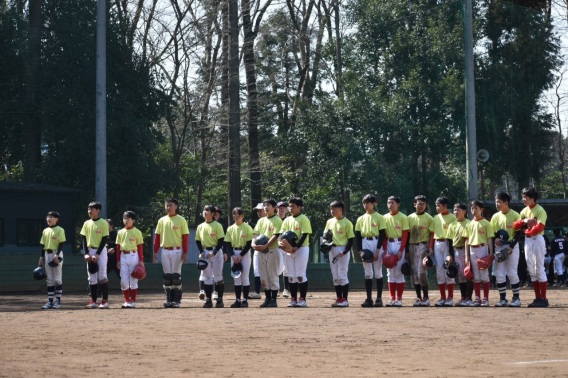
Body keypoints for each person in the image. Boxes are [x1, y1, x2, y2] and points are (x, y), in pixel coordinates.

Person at [514, 187, 548, 307]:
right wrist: (524, 222)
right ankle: (537, 298)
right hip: (528, 241)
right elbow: (516, 226)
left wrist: (526, 231)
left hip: (537, 239)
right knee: (532, 270)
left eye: (525, 197)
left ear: (532, 198)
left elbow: (539, 228)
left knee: (539, 268)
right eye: (523, 197)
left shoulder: (540, 210)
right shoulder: (524, 211)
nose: (523, 199)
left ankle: (543, 299)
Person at [153, 198, 189, 308]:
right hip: (165, 250)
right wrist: (155, 252)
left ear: (176, 206)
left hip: (177, 250)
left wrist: (185, 252)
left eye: (171, 205)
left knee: (175, 276)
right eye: (167, 205)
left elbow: (185, 237)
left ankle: (176, 299)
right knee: (167, 276)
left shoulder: (181, 220)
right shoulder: (162, 220)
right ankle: (169, 299)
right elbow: (157, 237)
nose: (168, 207)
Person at [490, 192, 522, 307]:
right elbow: (492, 233)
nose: (496, 204)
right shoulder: (495, 216)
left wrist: (511, 247)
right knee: (499, 273)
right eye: (496, 201)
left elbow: (518, 233)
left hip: (511, 246)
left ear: (506, 203)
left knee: (512, 272)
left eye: (499, 201)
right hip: (499, 246)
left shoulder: (515, 215)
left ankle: (516, 299)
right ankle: (503, 299)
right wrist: (495, 239)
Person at [279, 197, 312, 307]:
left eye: (293, 206)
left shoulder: (304, 219)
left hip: (301, 249)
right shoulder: (287, 220)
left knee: (300, 274)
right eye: (290, 206)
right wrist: (281, 244)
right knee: (291, 275)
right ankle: (293, 299)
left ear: (299, 207)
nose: (290, 208)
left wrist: (296, 247)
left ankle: (302, 299)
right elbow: (282, 234)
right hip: (289, 249)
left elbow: (304, 234)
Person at [355, 194, 386, 307]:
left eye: (368, 202)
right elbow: (357, 235)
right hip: (365, 242)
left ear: (374, 204)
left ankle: (379, 299)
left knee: (378, 272)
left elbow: (382, 234)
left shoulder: (379, 217)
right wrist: (360, 251)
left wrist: (378, 250)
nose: (365, 204)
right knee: (368, 273)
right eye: (364, 202)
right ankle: (369, 299)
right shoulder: (360, 218)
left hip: (376, 242)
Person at [252, 199, 283, 307]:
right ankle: (267, 299)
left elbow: (276, 235)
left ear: (275, 207)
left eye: (268, 205)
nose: (265, 207)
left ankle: (274, 300)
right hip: (261, 251)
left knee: (273, 275)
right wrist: (253, 243)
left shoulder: (278, 220)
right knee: (263, 276)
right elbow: (255, 233)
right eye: (265, 205)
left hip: (272, 250)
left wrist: (265, 245)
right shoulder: (261, 221)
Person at [464, 200, 495, 307]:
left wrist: (491, 253)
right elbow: (467, 240)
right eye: (472, 208)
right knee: (476, 276)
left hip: (482, 248)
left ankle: (485, 299)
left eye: (476, 208)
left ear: (481, 210)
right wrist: (466, 256)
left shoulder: (486, 223)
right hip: (472, 249)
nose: (474, 210)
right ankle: (477, 298)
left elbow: (490, 239)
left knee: (484, 275)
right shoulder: (469, 224)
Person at [325, 200, 355, 307]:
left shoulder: (347, 223)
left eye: (334, 208)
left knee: (342, 275)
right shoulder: (329, 221)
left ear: (340, 209)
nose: (332, 210)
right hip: (332, 249)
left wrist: (345, 251)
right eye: (331, 208)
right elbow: (326, 236)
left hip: (342, 249)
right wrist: (325, 242)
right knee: (335, 276)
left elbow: (351, 240)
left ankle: (345, 300)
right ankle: (339, 298)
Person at [196, 205, 226, 308]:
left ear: (213, 213)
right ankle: (208, 300)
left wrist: (215, 252)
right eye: (204, 209)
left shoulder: (217, 226)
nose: (205, 212)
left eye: (207, 210)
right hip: (205, 252)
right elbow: (198, 240)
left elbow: (221, 240)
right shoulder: (200, 226)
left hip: (216, 252)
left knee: (218, 276)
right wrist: (201, 251)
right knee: (207, 277)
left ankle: (220, 300)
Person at [81, 202, 110, 309]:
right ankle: (93, 301)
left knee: (102, 276)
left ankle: (105, 301)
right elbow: (83, 239)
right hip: (89, 250)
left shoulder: (103, 223)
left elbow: (105, 239)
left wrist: (97, 254)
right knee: (91, 277)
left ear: (98, 210)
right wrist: (86, 254)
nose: (90, 211)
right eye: (89, 209)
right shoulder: (86, 223)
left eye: (92, 209)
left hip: (101, 251)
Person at [429, 196, 457, 307]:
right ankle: (442, 298)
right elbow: (432, 233)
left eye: (438, 205)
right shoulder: (436, 218)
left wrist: (452, 250)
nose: (437, 207)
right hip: (437, 244)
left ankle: (450, 298)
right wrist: (430, 247)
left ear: (445, 206)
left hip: (447, 244)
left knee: (449, 270)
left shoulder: (452, 218)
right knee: (439, 271)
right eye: (436, 205)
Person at [382, 196, 409, 307]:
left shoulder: (403, 217)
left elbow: (405, 234)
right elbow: (383, 234)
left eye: (392, 203)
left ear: (398, 204)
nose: (390, 205)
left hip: (398, 243)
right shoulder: (384, 218)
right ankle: (392, 298)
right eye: (388, 202)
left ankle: (399, 299)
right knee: (390, 272)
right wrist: (385, 249)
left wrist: (402, 249)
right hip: (388, 243)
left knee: (399, 272)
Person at [407, 195, 433, 307]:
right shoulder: (409, 218)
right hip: (412, 246)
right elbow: (406, 234)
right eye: (419, 203)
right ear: (414, 204)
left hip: (423, 245)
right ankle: (419, 297)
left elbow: (432, 234)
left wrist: (430, 248)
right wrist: (406, 250)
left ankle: (426, 297)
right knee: (414, 273)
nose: (421, 206)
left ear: (426, 205)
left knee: (421, 272)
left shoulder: (429, 218)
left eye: (423, 204)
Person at [225, 207, 254, 308]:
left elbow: (249, 243)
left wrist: (241, 255)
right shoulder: (230, 228)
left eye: (238, 214)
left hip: (244, 254)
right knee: (236, 278)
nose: (236, 216)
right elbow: (228, 243)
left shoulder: (247, 228)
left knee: (245, 277)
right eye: (234, 214)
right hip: (234, 253)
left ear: (243, 216)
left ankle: (245, 300)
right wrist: (232, 256)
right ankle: (238, 300)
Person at [116, 211, 145, 308]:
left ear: (133, 220)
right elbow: (118, 247)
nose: (126, 220)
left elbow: (140, 247)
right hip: (123, 256)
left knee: (133, 279)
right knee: (124, 280)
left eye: (128, 218)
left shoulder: (137, 232)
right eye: (124, 218)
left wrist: (141, 261)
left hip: (134, 255)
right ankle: (126, 300)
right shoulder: (120, 232)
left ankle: (133, 301)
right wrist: (118, 260)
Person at [38, 211, 66, 309]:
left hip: (56, 253)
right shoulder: (45, 230)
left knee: (57, 279)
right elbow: (43, 245)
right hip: (47, 254)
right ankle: (50, 302)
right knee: (49, 279)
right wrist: (41, 257)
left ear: (57, 219)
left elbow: (61, 243)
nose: (49, 218)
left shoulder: (60, 229)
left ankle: (58, 302)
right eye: (48, 216)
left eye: (51, 216)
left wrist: (57, 255)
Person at [446, 203, 471, 306]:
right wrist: (450, 255)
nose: (455, 212)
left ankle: (469, 298)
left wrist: (468, 255)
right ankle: (463, 298)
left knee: (468, 275)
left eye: (458, 210)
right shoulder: (452, 225)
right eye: (454, 210)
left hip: (467, 251)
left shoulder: (469, 223)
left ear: (464, 212)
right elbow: (449, 241)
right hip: (456, 251)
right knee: (461, 275)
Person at [249, 202, 266, 299]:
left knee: (271, 271)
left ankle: (272, 291)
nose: (259, 213)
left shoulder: (271, 220)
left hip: (268, 249)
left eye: (261, 210)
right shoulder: (259, 222)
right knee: (256, 271)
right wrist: (253, 243)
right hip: (258, 249)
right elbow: (255, 234)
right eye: (258, 211)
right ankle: (257, 292)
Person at [277, 201, 290, 298]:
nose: (282, 209)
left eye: (283, 207)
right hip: (276, 246)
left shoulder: (289, 220)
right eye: (280, 207)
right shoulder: (274, 220)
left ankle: (286, 289)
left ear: (286, 209)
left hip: (286, 247)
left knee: (286, 268)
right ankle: (276, 289)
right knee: (277, 268)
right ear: (277, 209)